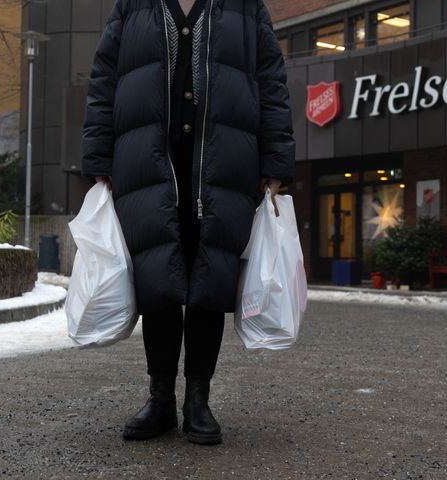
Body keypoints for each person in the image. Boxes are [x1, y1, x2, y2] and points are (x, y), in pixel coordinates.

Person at [81, 0, 295, 445]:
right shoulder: (133, 5)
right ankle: (159, 399)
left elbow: (272, 81)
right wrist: (99, 157)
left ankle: (198, 399)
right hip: (146, 159)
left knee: (209, 277)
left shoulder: (245, 7)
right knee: (158, 277)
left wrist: (275, 161)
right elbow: (104, 79)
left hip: (224, 160)